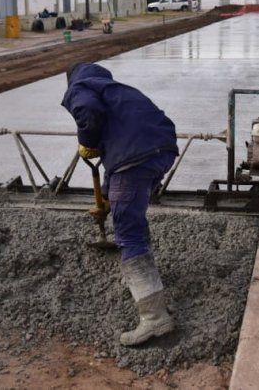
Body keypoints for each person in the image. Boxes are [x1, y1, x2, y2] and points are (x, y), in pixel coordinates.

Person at [61, 62, 179, 344]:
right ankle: (148, 279)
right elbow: (119, 155)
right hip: (162, 150)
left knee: (127, 232)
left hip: (135, 158)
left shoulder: (80, 87)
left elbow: (88, 111)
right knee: (130, 212)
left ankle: (155, 318)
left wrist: (88, 141)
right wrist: (106, 196)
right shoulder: (115, 91)